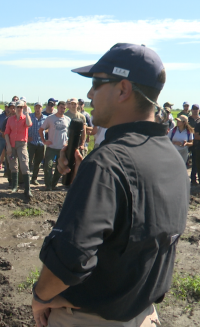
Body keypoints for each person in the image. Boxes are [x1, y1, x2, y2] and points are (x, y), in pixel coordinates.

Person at [32, 43, 187, 327]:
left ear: (123, 89)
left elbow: (71, 256)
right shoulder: (171, 157)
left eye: (96, 84)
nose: (89, 94)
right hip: (144, 315)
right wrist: (87, 183)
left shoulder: (107, 162)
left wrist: (40, 297)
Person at [39, 101, 70, 191]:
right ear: (57, 107)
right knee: (48, 167)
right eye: (61, 107)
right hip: (51, 147)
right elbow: (41, 130)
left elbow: (69, 133)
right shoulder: (50, 118)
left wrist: (67, 142)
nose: (62, 110)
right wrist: (44, 141)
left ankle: (53, 184)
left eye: (64, 108)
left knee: (59, 168)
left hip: (62, 148)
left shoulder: (67, 120)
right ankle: (48, 185)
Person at [5, 100, 33, 197]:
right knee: (13, 165)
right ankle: (14, 187)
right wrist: (8, 145)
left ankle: (27, 189)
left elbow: (29, 124)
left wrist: (26, 112)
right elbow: (6, 133)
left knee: (24, 164)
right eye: (18, 107)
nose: (19, 109)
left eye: (21, 107)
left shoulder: (25, 118)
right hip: (12, 144)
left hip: (22, 144)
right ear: (15, 108)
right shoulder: (10, 119)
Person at [27, 102, 46, 185]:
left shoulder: (45, 118)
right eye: (36, 107)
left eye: (39, 107)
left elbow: (50, 128)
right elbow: (25, 127)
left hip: (41, 143)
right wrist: (27, 137)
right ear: (34, 108)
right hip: (31, 142)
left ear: (42, 108)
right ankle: (26, 178)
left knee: (37, 162)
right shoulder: (30, 117)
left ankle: (34, 178)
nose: (38, 109)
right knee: (28, 161)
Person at [0, 101, 12, 177]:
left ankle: (6, 171)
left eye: (8, 107)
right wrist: (3, 132)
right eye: (6, 107)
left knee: (8, 156)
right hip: (1, 138)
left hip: (10, 139)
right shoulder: (0, 117)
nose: (7, 109)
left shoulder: (13, 117)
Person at [188, 104, 200, 185]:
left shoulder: (199, 120)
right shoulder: (188, 119)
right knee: (190, 161)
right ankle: (192, 179)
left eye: (197, 108)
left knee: (196, 162)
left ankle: (194, 179)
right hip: (189, 142)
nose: (195, 110)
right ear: (191, 110)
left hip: (197, 144)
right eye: (194, 109)